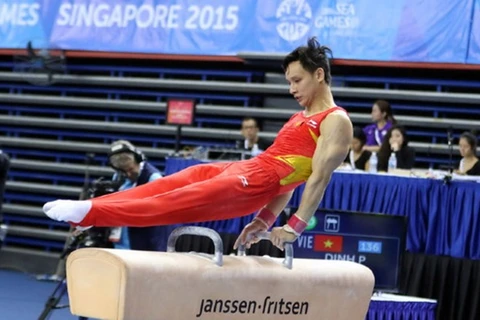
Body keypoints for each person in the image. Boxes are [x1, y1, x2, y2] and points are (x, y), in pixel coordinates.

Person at [42, 38, 353, 251]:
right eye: (288, 82)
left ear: (320, 74)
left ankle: (90, 215)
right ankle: (91, 209)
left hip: (254, 182)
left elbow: (317, 178)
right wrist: (263, 221)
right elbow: (290, 181)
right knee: (167, 185)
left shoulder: (335, 121)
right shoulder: (300, 116)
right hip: (246, 169)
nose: (291, 89)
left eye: (296, 81)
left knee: (175, 202)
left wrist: (293, 228)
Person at [107, 140, 170, 251]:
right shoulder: (118, 177)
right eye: (124, 171)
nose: (128, 173)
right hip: (121, 236)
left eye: (131, 169)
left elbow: (161, 209)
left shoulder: (153, 178)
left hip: (145, 238)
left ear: (137, 159)